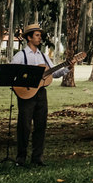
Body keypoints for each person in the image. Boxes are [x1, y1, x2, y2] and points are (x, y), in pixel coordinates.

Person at [11, 23, 72, 168]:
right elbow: (12, 74)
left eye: (40, 36)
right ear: (29, 38)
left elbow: (53, 73)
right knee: (24, 126)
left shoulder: (43, 56)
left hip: (41, 93)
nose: (40, 38)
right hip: (26, 94)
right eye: (37, 35)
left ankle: (37, 158)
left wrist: (68, 66)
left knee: (40, 125)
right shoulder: (20, 55)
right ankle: (21, 158)